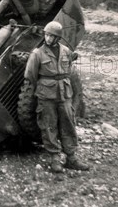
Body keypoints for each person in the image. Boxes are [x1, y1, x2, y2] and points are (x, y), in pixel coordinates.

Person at [24, 21, 90, 173]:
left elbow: (69, 71)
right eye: (46, 35)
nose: (48, 38)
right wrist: (44, 86)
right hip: (47, 95)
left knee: (68, 123)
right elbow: (30, 76)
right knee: (49, 126)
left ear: (57, 38)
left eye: (52, 36)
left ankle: (71, 158)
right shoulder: (37, 54)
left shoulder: (66, 51)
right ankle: (55, 159)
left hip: (64, 94)